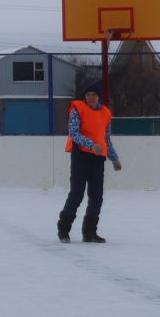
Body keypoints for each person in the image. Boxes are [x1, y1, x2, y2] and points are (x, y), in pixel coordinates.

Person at [58, 84, 122, 244]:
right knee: (77, 194)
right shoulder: (77, 110)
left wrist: (114, 158)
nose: (91, 97)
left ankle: (90, 232)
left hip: (98, 158)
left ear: (99, 97)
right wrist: (91, 144)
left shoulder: (106, 113)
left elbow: (106, 138)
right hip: (80, 155)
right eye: (88, 95)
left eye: (94, 94)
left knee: (96, 197)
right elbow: (73, 133)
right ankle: (63, 230)